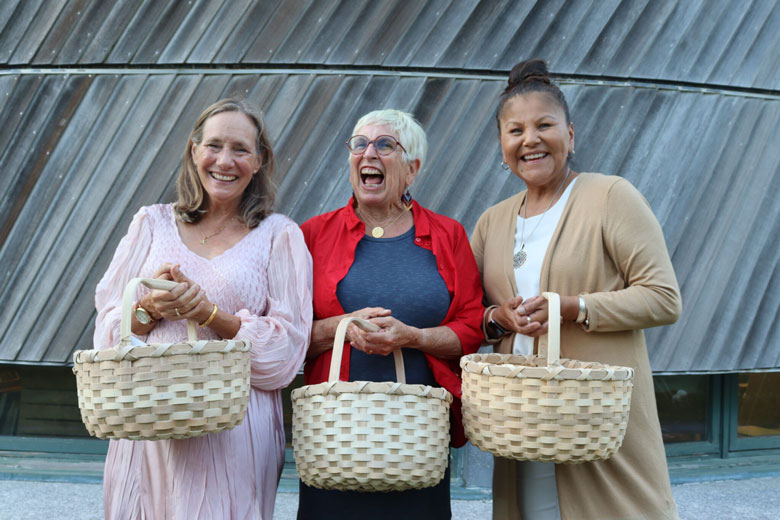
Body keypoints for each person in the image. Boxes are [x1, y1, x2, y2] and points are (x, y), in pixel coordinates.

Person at [470, 60, 682, 520]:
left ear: (571, 134)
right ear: (502, 146)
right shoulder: (491, 221)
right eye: (515, 130)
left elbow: (664, 298)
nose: (530, 139)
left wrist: (573, 307)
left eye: (544, 125)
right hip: (521, 429)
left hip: (594, 426)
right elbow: (472, 313)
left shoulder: (610, 197)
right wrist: (496, 319)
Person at [93, 98, 312, 520]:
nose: (224, 161)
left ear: (260, 160)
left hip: (232, 432)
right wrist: (150, 307)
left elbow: (286, 354)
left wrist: (209, 314)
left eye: (240, 149)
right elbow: (108, 332)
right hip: (149, 426)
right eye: (213, 145)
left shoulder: (279, 235)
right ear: (194, 150)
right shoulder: (151, 223)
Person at [298, 109, 484, 519]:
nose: (369, 153)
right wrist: (343, 329)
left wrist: (413, 337)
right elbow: (287, 335)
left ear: (412, 169)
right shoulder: (312, 234)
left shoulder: (448, 234)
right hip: (333, 439)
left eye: (385, 145)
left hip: (417, 439)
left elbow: (472, 327)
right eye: (360, 144)